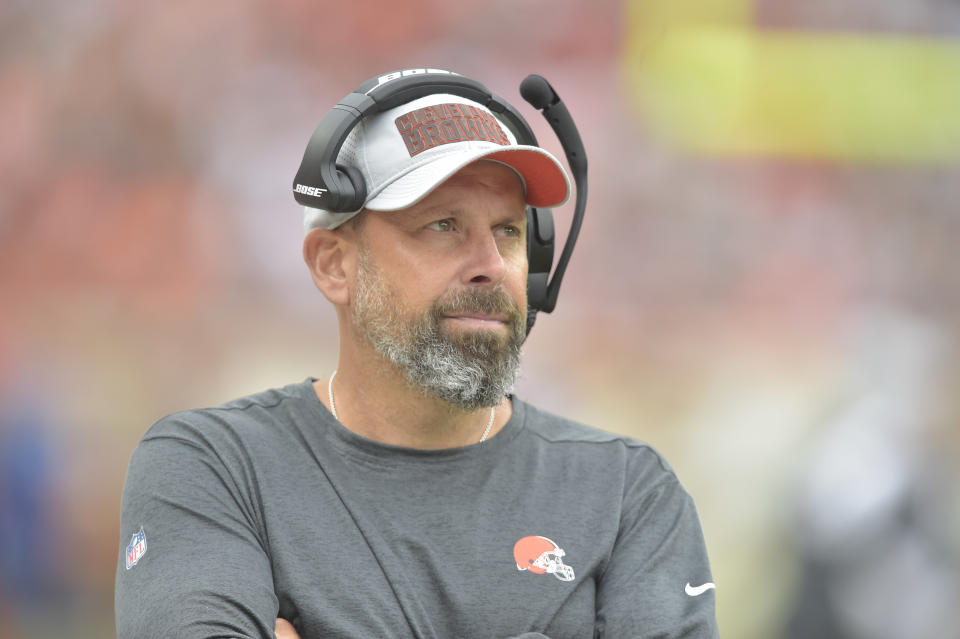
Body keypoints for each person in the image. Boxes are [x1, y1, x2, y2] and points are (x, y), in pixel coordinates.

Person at [115, 77, 720, 639]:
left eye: (508, 231)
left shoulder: (627, 493)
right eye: (442, 225)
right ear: (333, 264)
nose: (489, 261)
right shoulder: (214, 466)